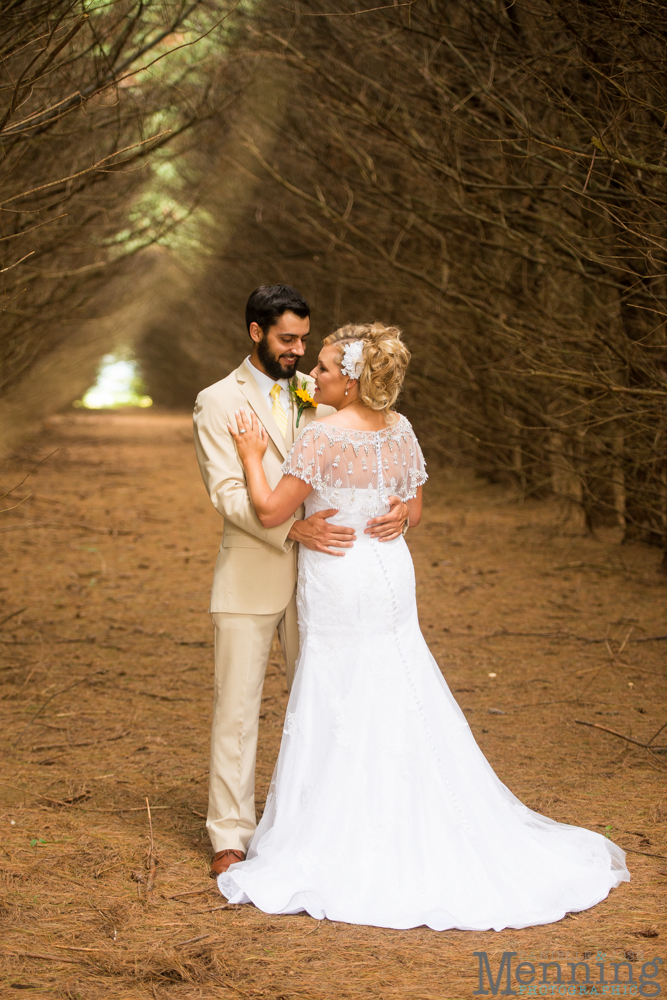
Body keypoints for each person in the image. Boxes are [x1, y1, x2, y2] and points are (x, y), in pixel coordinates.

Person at [218, 321, 629, 931]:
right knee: (396, 677)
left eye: (327, 369)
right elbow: (412, 506)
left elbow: (272, 509)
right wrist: (396, 518)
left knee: (342, 686)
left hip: (340, 575)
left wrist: (253, 458)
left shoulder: (321, 435)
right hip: (387, 572)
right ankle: (408, 805)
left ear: (352, 383)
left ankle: (347, 828)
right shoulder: (399, 428)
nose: (316, 377)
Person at [193, 287, 409, 879]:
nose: (298, 351)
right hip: (255, 568)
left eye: (305, 342)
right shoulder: (217, 401)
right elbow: (228, 493)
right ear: (256, 333)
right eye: (287, 339)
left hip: (330, 580)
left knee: (323, 702)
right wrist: (294, 530)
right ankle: (230, 834)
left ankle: (318, 823)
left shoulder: (324, 394)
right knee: (236, 706)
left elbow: (364, 461)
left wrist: (399, 509)